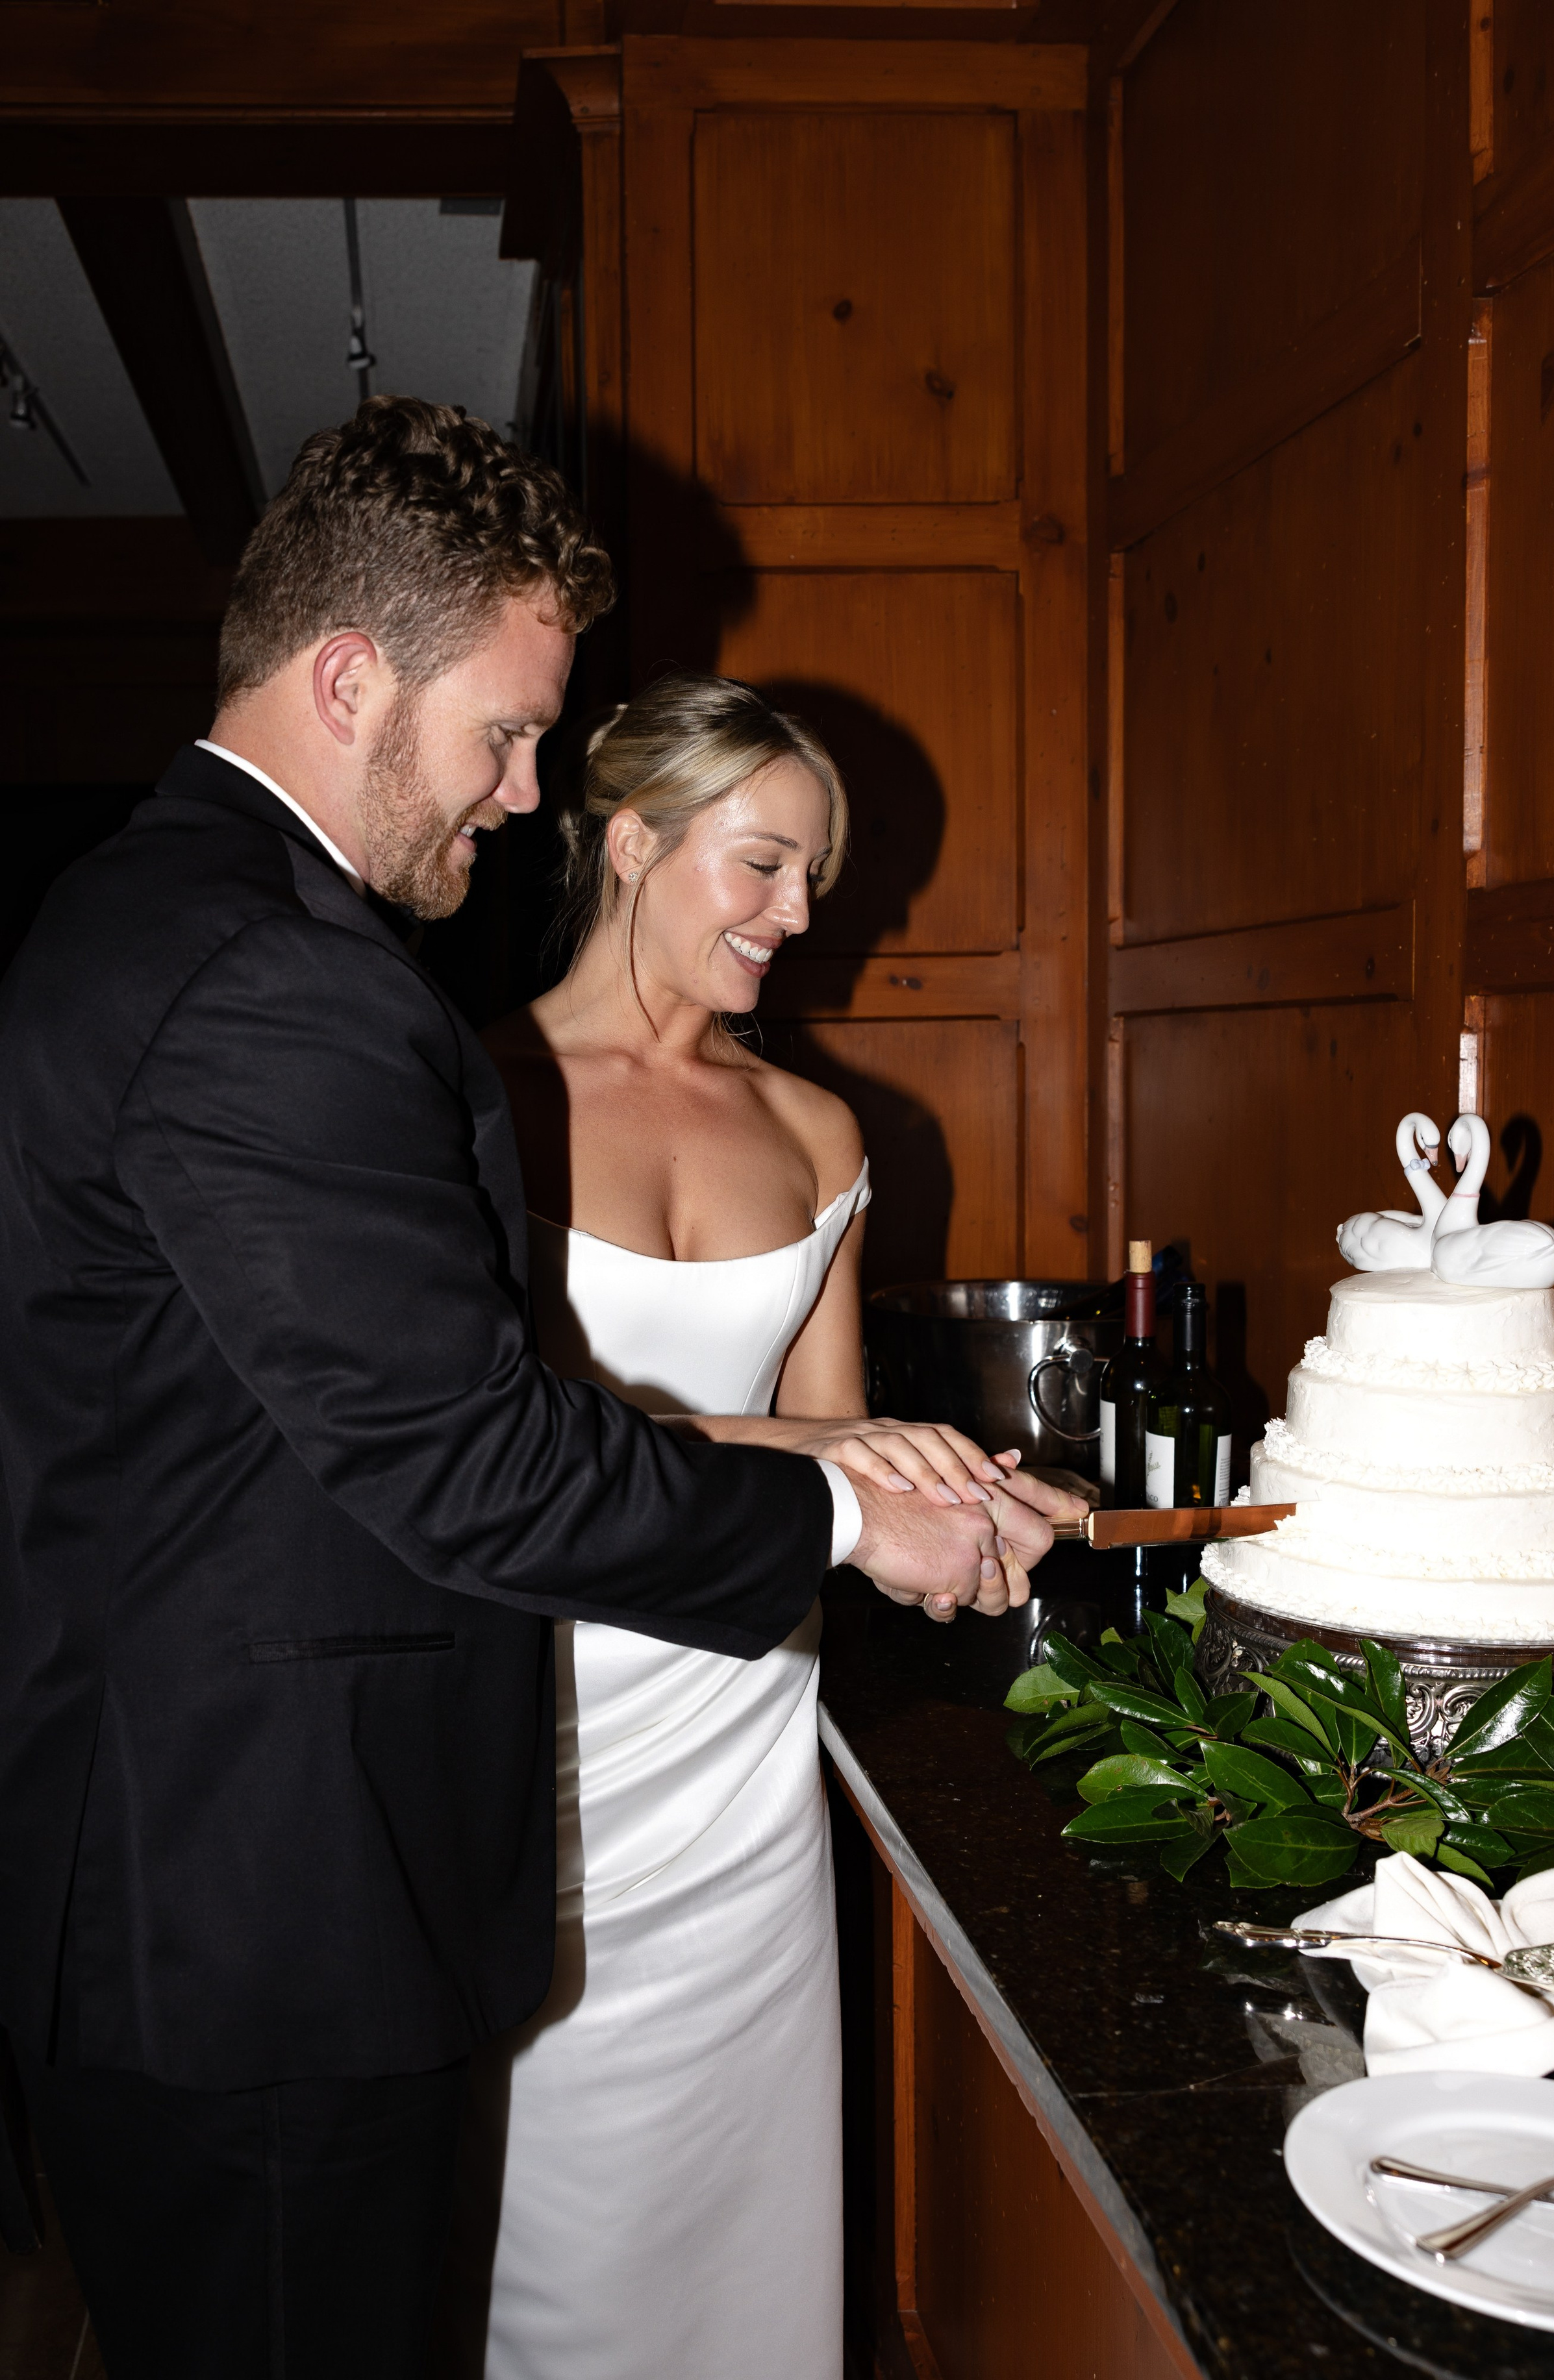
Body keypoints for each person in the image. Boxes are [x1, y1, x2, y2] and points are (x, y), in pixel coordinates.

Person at [0, 399, 1070, 2379]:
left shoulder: (133, 910)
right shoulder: (273, 974)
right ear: (347, 678)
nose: (514, 793)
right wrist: (846, 1505)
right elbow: (473, 1449)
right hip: (264, 1923)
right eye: (499, 731)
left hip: (206, 1881)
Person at [449, 675, 1050, 2380]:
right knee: (532, 2249)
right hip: (537, 1728)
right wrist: (863, 1478)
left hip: (739, 1769)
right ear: (631, 841)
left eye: (816, 880)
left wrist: (962, 1509)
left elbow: (836, 1443)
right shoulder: (466, 1097)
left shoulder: (821, 1130)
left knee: (745, 2265)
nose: (801, 915)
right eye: (767, 865)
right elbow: (497, 1444)